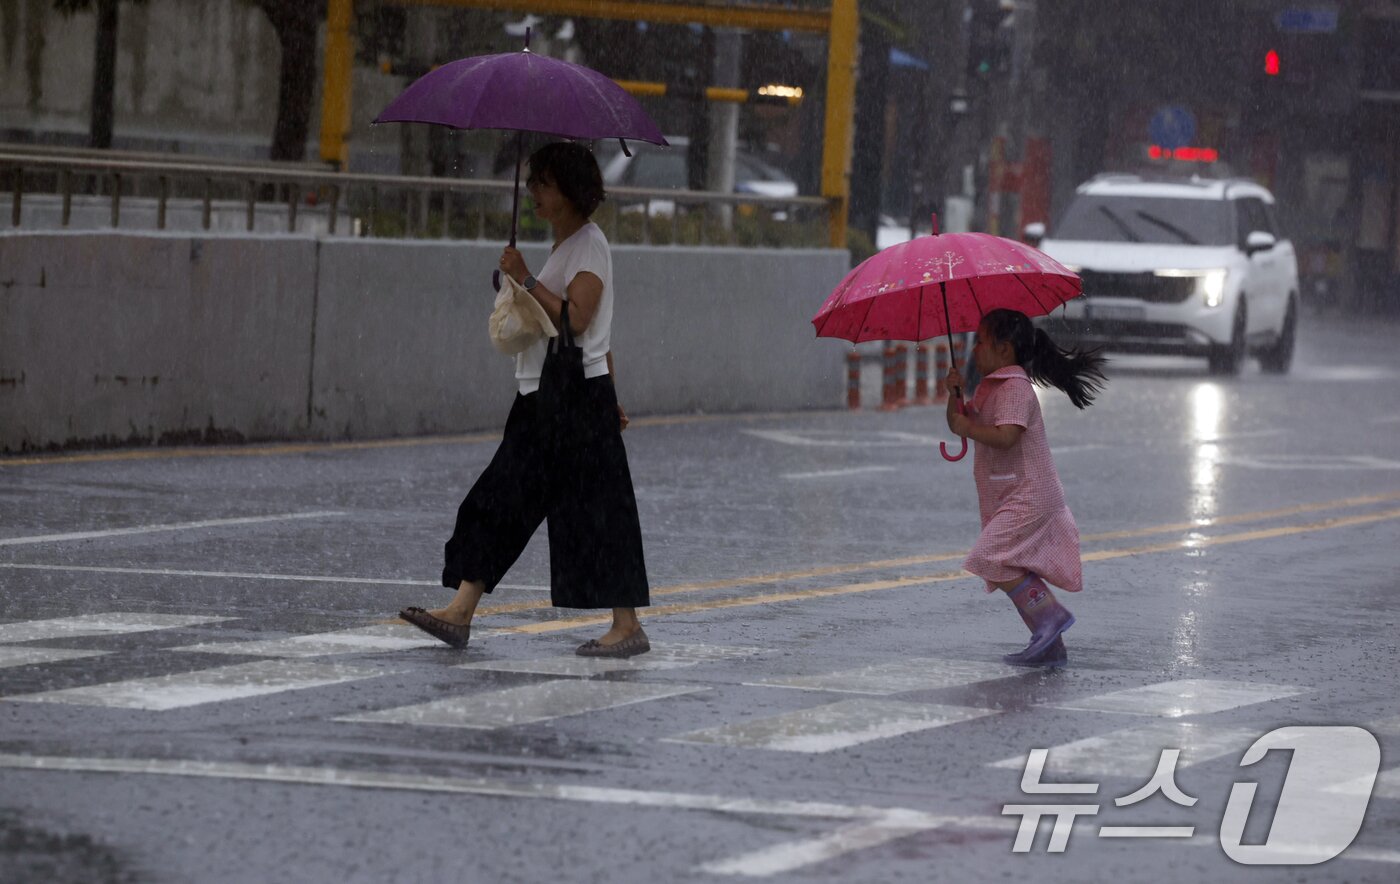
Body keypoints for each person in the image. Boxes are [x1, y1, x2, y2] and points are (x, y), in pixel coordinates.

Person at [400, 141, 651, 658]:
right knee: (505, 497)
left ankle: (626, 626)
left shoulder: (589, 245)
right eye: (533, 183)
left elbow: (578, 320)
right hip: (553, 396)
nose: (534, 193)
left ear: (571, 191)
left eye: (545, 184)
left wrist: (527, 277)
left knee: (598, 509)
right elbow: (599, 335)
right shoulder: (567, 247)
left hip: (571, 398)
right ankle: (462, 611)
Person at [943, 309, 1107, 668]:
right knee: (1003, 560)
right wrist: (953, 397)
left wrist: (966, 429)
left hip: (1030, 494)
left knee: (990, 557)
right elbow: (962, 420)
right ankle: (1050, 645)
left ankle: (1049, 618)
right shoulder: (993, 387)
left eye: (981, 343)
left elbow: (1006, 436)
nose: (974, 351)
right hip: (1015, 493)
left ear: (1004, 350)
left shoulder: (1015, 388)